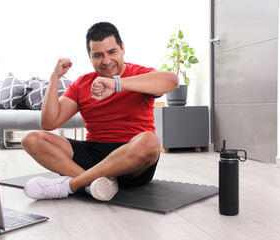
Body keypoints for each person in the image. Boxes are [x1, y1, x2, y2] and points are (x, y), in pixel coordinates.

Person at [22, 22, 178, 201]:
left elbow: (171, 81)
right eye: (98, 55)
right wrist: (55, 76)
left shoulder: (139, 75)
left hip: (133, 159)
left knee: (150, 142)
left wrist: (117, 83)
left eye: (112, 52)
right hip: (94, 152)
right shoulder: (82, 84)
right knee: (31, 139)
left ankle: (72, 185)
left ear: (122, 49)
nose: (106, 61)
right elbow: (49, 123)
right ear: (89, 57)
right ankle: (95, 184)